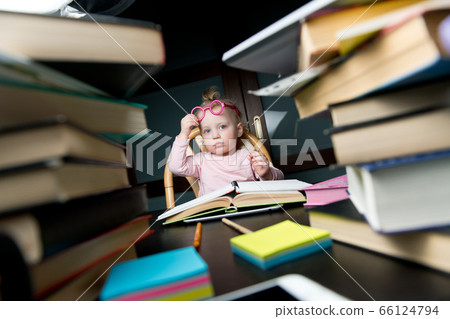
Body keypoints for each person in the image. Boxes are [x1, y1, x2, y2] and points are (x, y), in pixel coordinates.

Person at [169, 87, 284, 197]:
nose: (215, 135)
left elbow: (280, 178)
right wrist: (183, 134)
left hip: (248, 210)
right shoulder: (201, 161)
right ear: (203, 137)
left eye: (222, 127)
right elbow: (176, 167)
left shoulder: (248, 156)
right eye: (207, 130)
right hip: (213, 214)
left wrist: (267, 174)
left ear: (239, 130)